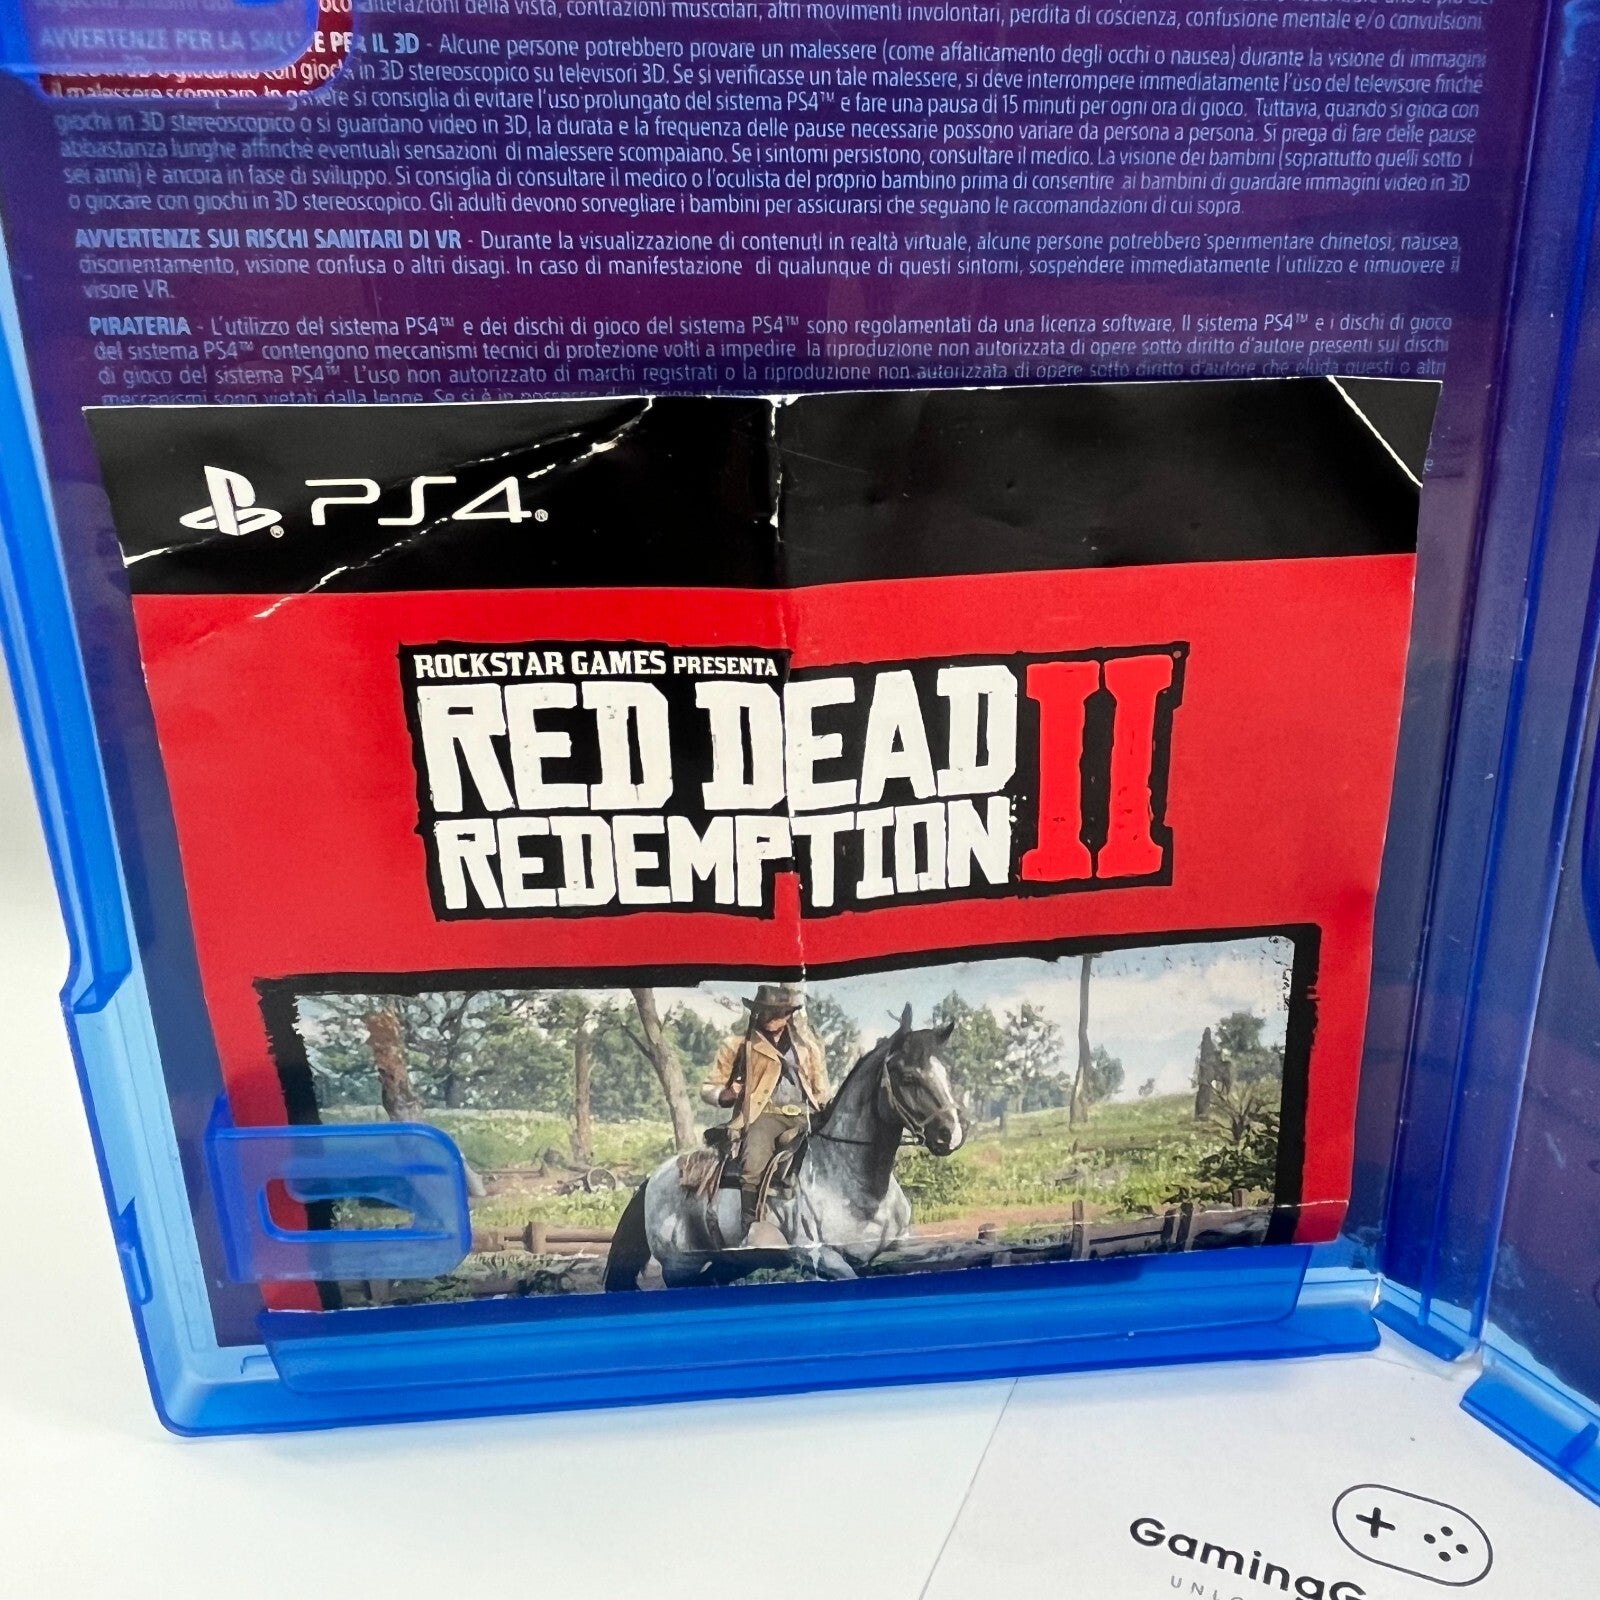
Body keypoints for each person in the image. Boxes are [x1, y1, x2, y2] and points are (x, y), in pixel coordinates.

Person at [701, 984, 831, 1240]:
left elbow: (820, 1089)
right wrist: (727, 1095)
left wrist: (826, 1108)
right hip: (764, 1114)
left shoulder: (807, 1047)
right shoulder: (738, 1045)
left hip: (805, 1114)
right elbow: (709, 1088)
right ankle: (750, 1227)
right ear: (757, 1012)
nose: (772, 1017)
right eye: (767, 1011)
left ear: (788, 1015)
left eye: (779, 1012)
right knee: (754, 1162)